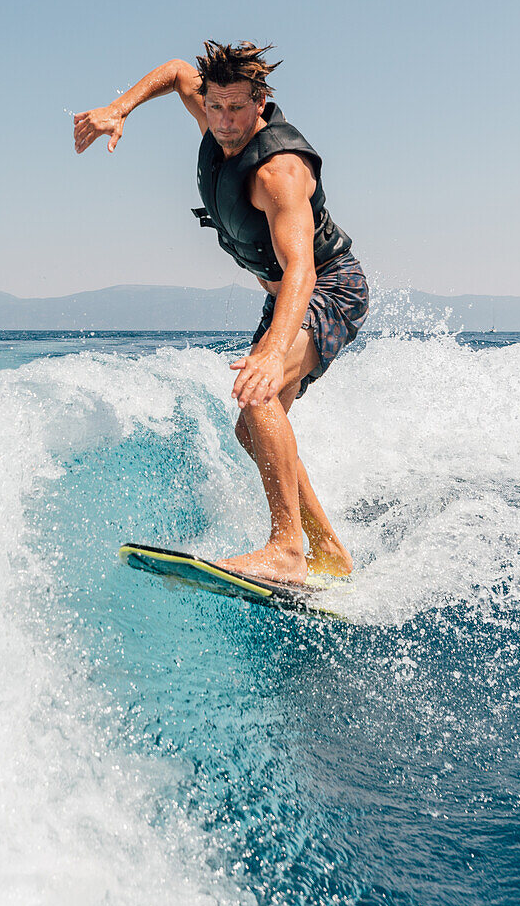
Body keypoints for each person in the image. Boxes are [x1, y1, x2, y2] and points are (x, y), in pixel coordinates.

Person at [74, 41, 368, 583]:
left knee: (260, 389)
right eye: (214, 107)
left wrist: (274, 353)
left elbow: (300, 268)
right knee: (251, 429)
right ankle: (329, 550)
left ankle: (286, 550)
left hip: (329, 286)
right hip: (285, 295)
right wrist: (120, 108)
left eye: (237, 109)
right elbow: (177, 70)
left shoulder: (279, 171)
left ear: (260, 103)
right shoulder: (210, 109)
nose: (224, 122)